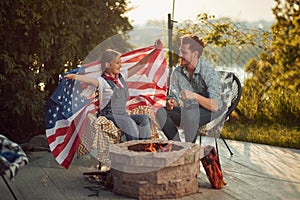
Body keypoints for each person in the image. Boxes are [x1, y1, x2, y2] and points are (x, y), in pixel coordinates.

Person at [65, 49, 152, 141]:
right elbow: (90, 80)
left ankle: (145, 145)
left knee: (144, 118)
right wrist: (75, 77)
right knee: (128, 122)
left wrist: (154, 51)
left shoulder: (122, 77)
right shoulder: (102, 81)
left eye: (120, 62)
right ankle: (135, 148)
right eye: (117, 63)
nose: (120, 65)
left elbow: (140, 64)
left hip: (122, 114)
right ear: (108, 65)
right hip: (109, 114)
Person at [156, 34, 223, 143]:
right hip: (188, 110)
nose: (180, 55)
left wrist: (194, 96)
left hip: (209, 111)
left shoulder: (208, 72)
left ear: (195, 54)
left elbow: (215, 106)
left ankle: (189, 148)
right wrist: (171, 102)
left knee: (191, 113)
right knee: (160, 112)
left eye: (184, 53)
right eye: (180, 51)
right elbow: (174, 95)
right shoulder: (178, 72)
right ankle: (178, 146)